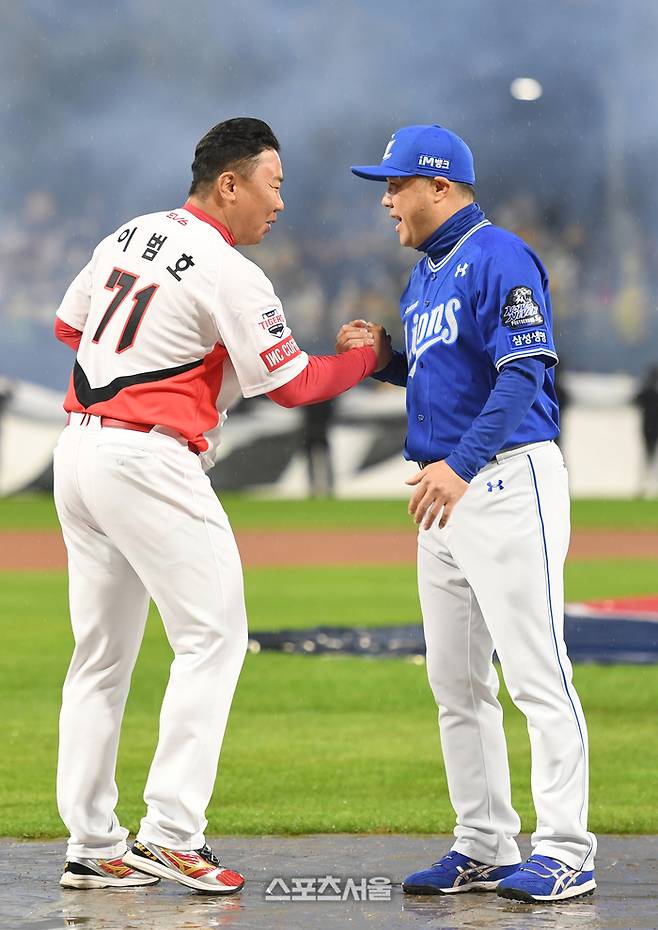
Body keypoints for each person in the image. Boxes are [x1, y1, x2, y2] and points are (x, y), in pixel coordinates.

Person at [53, 117, 377, 893]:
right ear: (229, 184)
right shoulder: (229, 271)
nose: (280, 203)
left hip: (80, 450)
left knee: (99, 660)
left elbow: (71, 325)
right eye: (274, 183)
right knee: (215, 638)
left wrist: (167, 354)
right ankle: (170, 832)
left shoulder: (129, 234)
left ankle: (94, 842)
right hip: (148, 458)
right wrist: (367, 355)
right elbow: (295, 383)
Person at [337, 124, 596, 904]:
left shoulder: (499, 255)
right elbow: (447, 376)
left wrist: (460, 464)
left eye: (395, 184)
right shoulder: (425, 277)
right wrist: (389, 362)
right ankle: (483, 842)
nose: (385, 200)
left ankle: (567, 850)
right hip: (446, 493)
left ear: (440, 186)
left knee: (536, 672)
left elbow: (523, 373)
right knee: (455, 679)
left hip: (505, 480)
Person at [633, 364, 658, 497]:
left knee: (647, 458)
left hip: (647, 429)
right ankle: (647, 486)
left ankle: (645, 486)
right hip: (651, 429)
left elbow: (634, 400)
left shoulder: (647, 391)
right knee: (650, 458)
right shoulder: (651, 392)